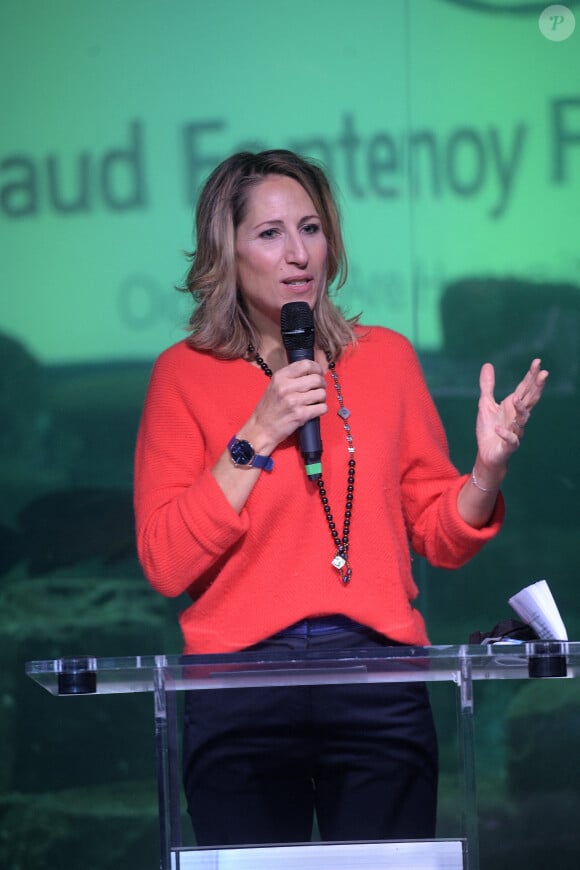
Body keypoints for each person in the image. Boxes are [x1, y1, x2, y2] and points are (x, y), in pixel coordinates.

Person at [133, 149, 548, 847]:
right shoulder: (183, 376)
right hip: (239, 695)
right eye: (270, 234)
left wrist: (486, 471)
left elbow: (438, 537)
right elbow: (166, 563)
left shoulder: (383, 359)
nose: (299, 254)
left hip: (378, 685)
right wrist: (258, 433)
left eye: (311, 228)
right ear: (226, 252)